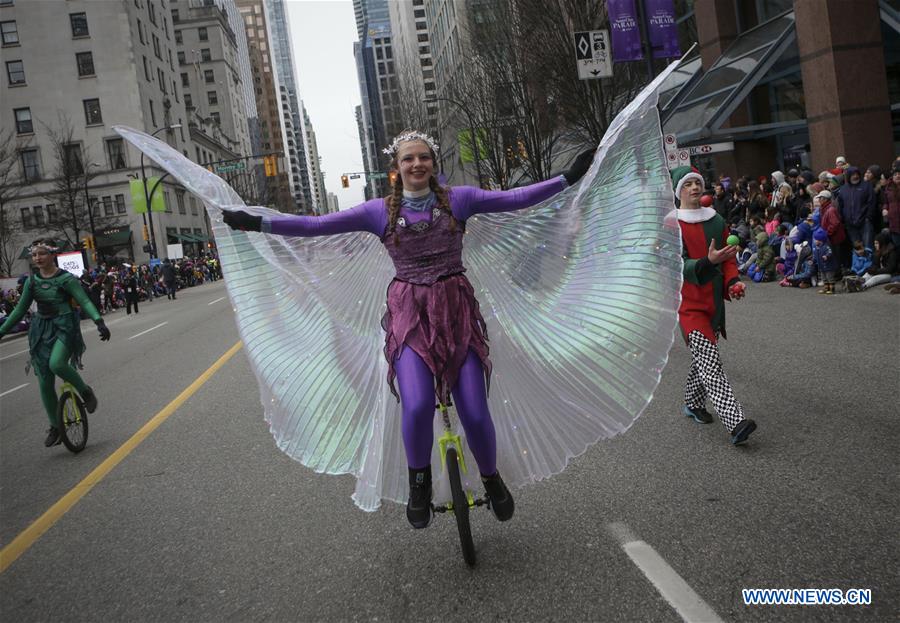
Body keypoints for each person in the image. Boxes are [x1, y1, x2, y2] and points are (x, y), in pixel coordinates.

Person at [221, 131, 596, 528]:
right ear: (396, 170)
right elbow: (315, 226)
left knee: (473, 408)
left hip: (457, 314)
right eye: (408, 160)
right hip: (410, 318)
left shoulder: (459, 200)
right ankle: (419, 482)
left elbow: (515, 199)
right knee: (416, 405)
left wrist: (567, 178)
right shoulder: (376, 212)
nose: (417, 165)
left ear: (433, 163)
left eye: (424, 158)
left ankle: (491, 477)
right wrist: (257, 223)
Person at [671, 166, 756, 445]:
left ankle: (693, 403)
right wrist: (708, 262)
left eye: (697, 183)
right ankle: (735, 422)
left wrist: (733, 283)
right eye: (688, 184)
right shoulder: (672, 225)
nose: (695, 188)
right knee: (711, 363)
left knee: (703, 358)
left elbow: (729, 259)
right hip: (688, 306)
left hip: (714, 305)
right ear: (678, 191)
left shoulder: (716, 220)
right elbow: (674, 265)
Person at [0, 240, 111, 446]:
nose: (37, 258)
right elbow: (19, 310)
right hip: (41, 330)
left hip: (64, 326)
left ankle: (85, 391)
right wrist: (2, 331)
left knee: (57, 363)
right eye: (34, 255)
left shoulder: (66, 279)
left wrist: (99, 321)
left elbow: (84, 300)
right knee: (44, 381)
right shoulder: (31, 282)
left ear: (52, 255)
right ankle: (55, 426)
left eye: (42, 254)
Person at [812, 228, 837, 294]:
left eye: (816, 239)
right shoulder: (816, 247)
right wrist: (813, 260)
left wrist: (827, 256)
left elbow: (830, 252)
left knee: (829, 277)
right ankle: (826, 288)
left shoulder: (826, 246)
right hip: (821, 266)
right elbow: (815, 255)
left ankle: (832, 288)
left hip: (828, 266)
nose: (814, 241)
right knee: (824, 277)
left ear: (821, 240)